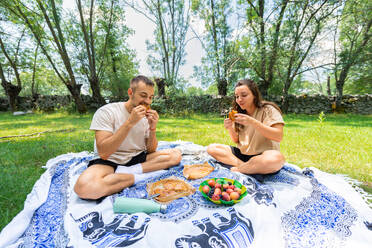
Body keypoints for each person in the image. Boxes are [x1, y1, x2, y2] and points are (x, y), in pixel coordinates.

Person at [74, 75, 182, 200]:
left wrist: (153, 128)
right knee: (84, 188)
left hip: (136, 158)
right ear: (130, 92)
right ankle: (141, 177)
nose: (147, 101)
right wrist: (130, 122)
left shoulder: (146, 116)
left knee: (176, 155)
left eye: (151, 97)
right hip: (110, 161)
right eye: (143, 95)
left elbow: (151, 150)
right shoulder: (107, 112)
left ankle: (130, 172)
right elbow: (104, 153)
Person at [207, 79, 285, 175]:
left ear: (254, 95)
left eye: (244, 95)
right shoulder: (238, 114)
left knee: (276, 158)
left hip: (263, 156)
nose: (239, 99)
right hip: (243, 155)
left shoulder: (268, 110)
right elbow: (236, 140)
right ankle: (245, 167)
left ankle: (241, 169)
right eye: (237, 96)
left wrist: (252, 122)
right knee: (212, 148)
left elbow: (278, 136)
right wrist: (230, 128)